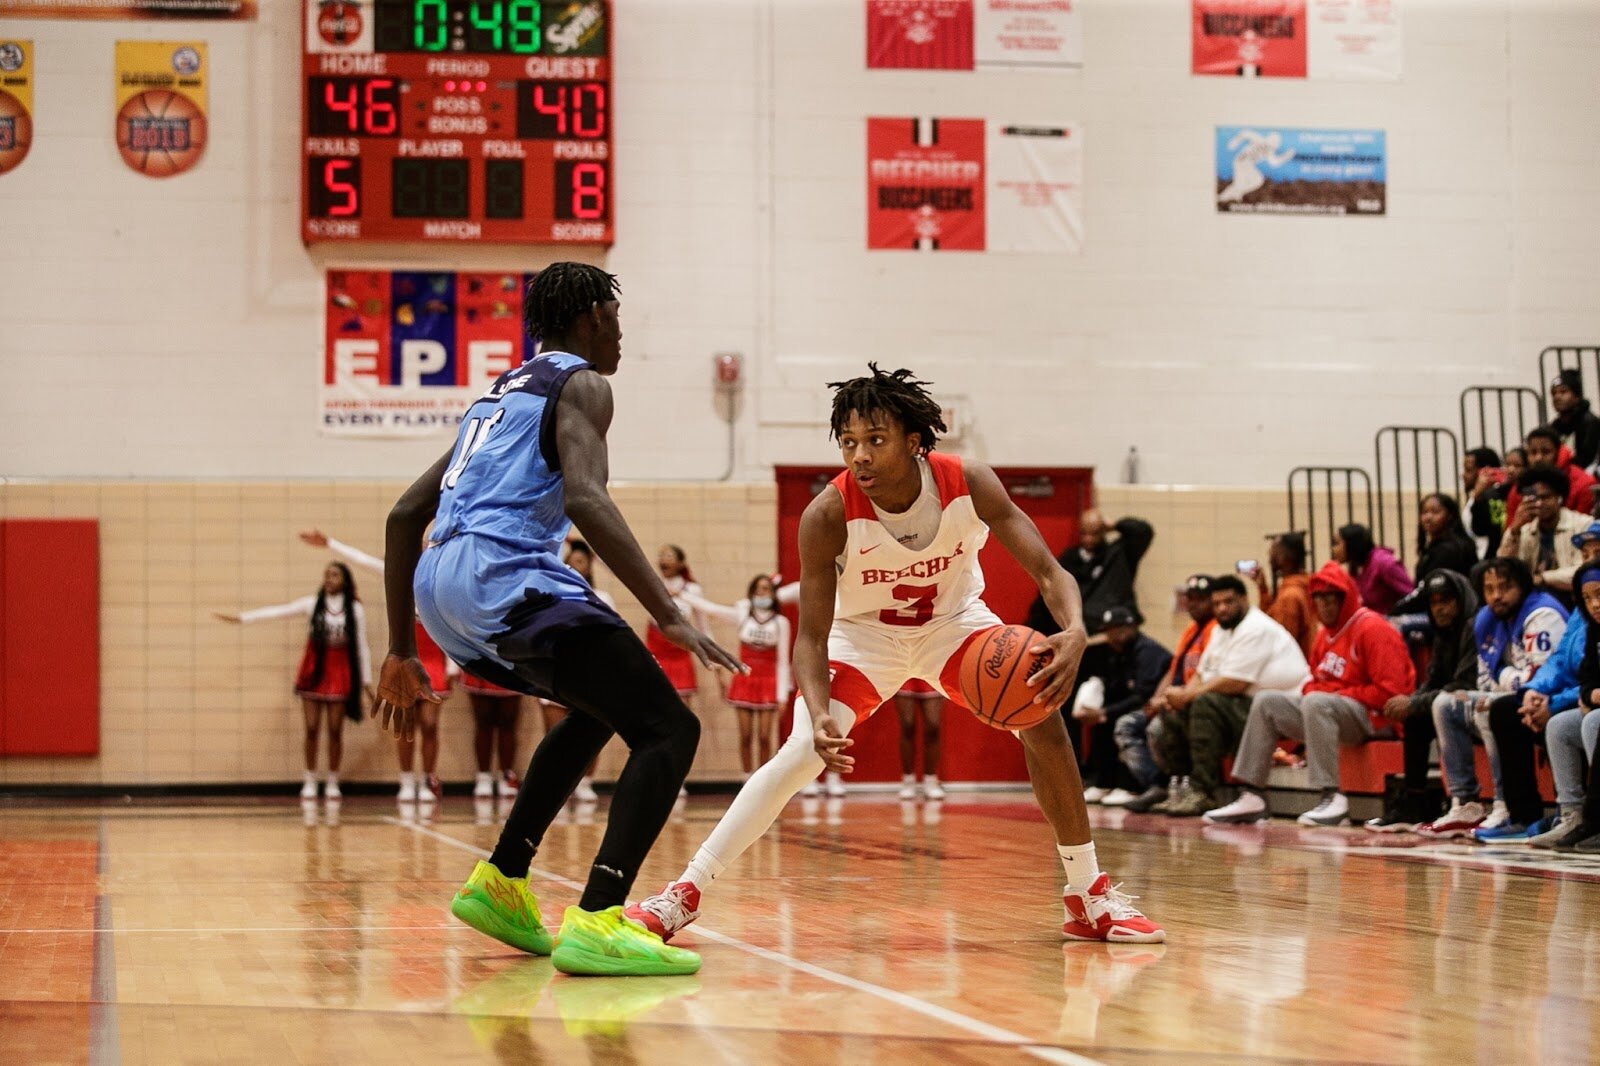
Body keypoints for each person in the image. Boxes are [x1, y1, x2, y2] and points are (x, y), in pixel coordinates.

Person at [627, 364, 1164, 944]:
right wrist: (819, 706)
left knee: (1042, 716)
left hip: (954, 626)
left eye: (875, 441)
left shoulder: (970, 482)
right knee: (802, 751)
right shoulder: (827, 514)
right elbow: (809, 638)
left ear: (914, 444)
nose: (858, 456)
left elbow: (1048, 572)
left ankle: (1087, 896)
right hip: (862, 638)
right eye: (848, 442)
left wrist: (1078, 628)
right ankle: (683, 893)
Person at [371, 262, 744, 977]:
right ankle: (601, 919)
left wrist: (400, 648)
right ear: (593, 316)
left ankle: (503, 881)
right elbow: (586, 498)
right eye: (618, 318)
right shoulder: (583, 383)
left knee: (598, 709)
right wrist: (666, 612)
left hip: (440, 588)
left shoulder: (495, 400)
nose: (622, 336)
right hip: (502, 577)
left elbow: (403, 516)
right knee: (670, 728)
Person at [1204, 562, 1414, 827]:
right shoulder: (1325, 634)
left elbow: (1391, 694)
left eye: (1330, 598)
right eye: (1318, 599)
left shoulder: (1372, 629)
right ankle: (1252, 793)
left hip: (1377, 720)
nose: (1324, 606)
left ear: (1345, 597)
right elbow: (1312, 682)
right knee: (1267, 701)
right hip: (1331, 713)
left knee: (1317, 701)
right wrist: (1326, 693)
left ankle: (1332, 797)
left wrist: (1336, 693)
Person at [297, 529, 459, 803]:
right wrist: (330, 543)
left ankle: (426, 779)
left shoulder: (444, 578)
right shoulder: (397, 573)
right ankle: (407, 780)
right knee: (406, 721)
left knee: (430, 724)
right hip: (408, 655)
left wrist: (454, 665)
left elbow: (454, 625)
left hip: (433, 656)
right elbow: (360, 560)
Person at [1420, 556, 1566, 841]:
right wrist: (1507, 678)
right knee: (1445, 703)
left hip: (1544, 701)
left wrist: (1504, 675)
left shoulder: (1542, 614)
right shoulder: (1487, 618)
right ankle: (1465, 803)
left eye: (1504, 587)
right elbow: (1485, 681)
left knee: (1494, 708)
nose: (1496, 596)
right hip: (1513, 696)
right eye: (1489, 589)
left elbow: (1540, 679)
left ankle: (1504, 805)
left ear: (1522, 586)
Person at [1152, 576, 1310, 818]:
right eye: (1217, 604)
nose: (1222, 608)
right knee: (1175, 709)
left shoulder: (1257, 628)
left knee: (1204, 703)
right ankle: (1182, 787)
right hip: (1243, 705)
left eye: (1229, 602)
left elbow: (1235, 682)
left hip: (1280, 710)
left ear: (1245, 600)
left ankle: (1203, 790)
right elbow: (1203, 674)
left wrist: (1189, 696)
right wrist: (1181, 696)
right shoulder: (1220, 629)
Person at [214, 562, 371, 802]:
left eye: (335, 575)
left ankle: (332, 780)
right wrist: (242, 618)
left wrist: (367, 682)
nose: (329, 579)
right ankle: (309, 778)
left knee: (335, 730)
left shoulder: (355, 610)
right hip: (314, 670)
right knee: (311, 728)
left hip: (340, 670)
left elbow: (361, 647)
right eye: (326, 574)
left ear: (345, 580)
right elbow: (278, 611)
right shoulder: (312, 604)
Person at [1363, 569, 1478, 832]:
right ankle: (1414, 802)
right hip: (1451, 704)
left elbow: (1463, 686)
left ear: (1461, 600)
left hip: (1477, 704)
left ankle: (1466, 799)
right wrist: (1412, 701)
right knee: (1416, 717)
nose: (1440, 609)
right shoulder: (1442, 634)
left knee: (1433, 707)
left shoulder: (1473, 628)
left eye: (1446, 601)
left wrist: (1415, 703)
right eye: (1434, 603)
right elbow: (1434, 681)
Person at [519, 538, 616, 803]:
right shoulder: (550, 595)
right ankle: (555, 786)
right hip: (555, 672)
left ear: (588, 568)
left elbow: (611, 635)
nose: (575, 568)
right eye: (570, 564)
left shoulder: (602, 597)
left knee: (591, 732)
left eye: (581, 563)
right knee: (555, 736)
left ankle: (585, 782)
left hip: (590, 673)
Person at [684, 574, 793, 780]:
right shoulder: (743, 614)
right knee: (745, 735)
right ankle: (746, 777)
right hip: (745, 679)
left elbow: (782, 661)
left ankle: (763, 779)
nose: (763, 593)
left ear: (774, 594)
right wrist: (683, 594)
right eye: (759, 589)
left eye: (767, 589)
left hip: (768, 681)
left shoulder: (781, 622)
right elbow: (712, 609)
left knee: (764, 737)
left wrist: (782, 696)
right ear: (752, 592)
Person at [1130, 574, 1218, 814]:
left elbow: (1206, 674)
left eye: (1201, 599)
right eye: (1190, 599)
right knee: (1130, 725)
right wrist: (1156, 699)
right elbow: (1173, 671)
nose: (1194, 604)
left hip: (1195, 699)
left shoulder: (1215, 630)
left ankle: (1177, 786)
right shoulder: (1190, 631)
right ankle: (1164, 785)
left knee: (1156, 729)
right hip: (1178, 699)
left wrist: (1171, 700)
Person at [1071, 606, 1172, 806]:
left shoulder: (1148, 652)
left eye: (1119, 629)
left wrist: (1105, 712)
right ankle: (1104, 782)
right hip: (1136, 705)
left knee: (1121, 722)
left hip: (1156, 706)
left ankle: (1135, 785)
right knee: (1102, 722)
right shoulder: (1117, 653)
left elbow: (1142, 696)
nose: (1113, 635)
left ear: (1132, 627)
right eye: (1109, 630)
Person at [1026, 511, 1154, 637]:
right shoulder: (1070, 558)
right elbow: (1049, 591)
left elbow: (1143, 532)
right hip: (1084, 633)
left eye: (1094, 533)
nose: (1089, 539)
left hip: (1115, 631)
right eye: (1084, 533)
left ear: (1104, 531)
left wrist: (1115, 525)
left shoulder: (1118, 554)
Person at [1497, 466, 1588, 595]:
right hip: (1533, 598)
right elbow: (1504, 569)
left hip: (1572, 597)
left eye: (1545, 497)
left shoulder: (1582, 525)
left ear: (1559, 497)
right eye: (1534, 499)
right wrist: (1514, 530)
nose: (1539, 504)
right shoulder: (1524, 530)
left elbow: (1583, 571)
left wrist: (1543, 578)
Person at [1503, 427, 1598, 518]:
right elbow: (1510, 529)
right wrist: (1517, 527)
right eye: (1533, 452)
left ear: (1557, 453)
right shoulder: (1519, 488)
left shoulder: (1584, 484)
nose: (1538, 458)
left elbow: (1585, 530)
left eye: (1546, 452)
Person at [1251, 532, 1316, 660]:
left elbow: (1279, 642)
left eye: (1273, 551)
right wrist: (1263, 589)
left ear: (1284, 557)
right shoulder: (1303, 585)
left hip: (1294, 667)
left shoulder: (1290, 596)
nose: (1269, 557)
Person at [1332, 524, 1413, 616]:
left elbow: (1411, 594)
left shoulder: (1384, 562)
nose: (1333, 549)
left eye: (1337, 543)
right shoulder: (1357, 566)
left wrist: (1392, 616)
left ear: (1351, 543)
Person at [893, 681, 946, 800]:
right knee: (907, 725)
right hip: (905, 670)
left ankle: (931, 780)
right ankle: (908, 781)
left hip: (930, 669)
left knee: (933, 726)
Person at [1549, 369, 1600, 474]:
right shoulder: (1554, 426)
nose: (1557, 397)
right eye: (1554, 393)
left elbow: (1587, 460)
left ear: (1577, 397)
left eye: (1563, 392)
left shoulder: (1590, 422)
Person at [1463, 447, 1507, 557]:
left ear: (1486, 471)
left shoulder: (1495, 496)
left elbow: (1495, 531)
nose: (1463, 475)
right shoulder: (1475, 496)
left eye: (1468, 470)